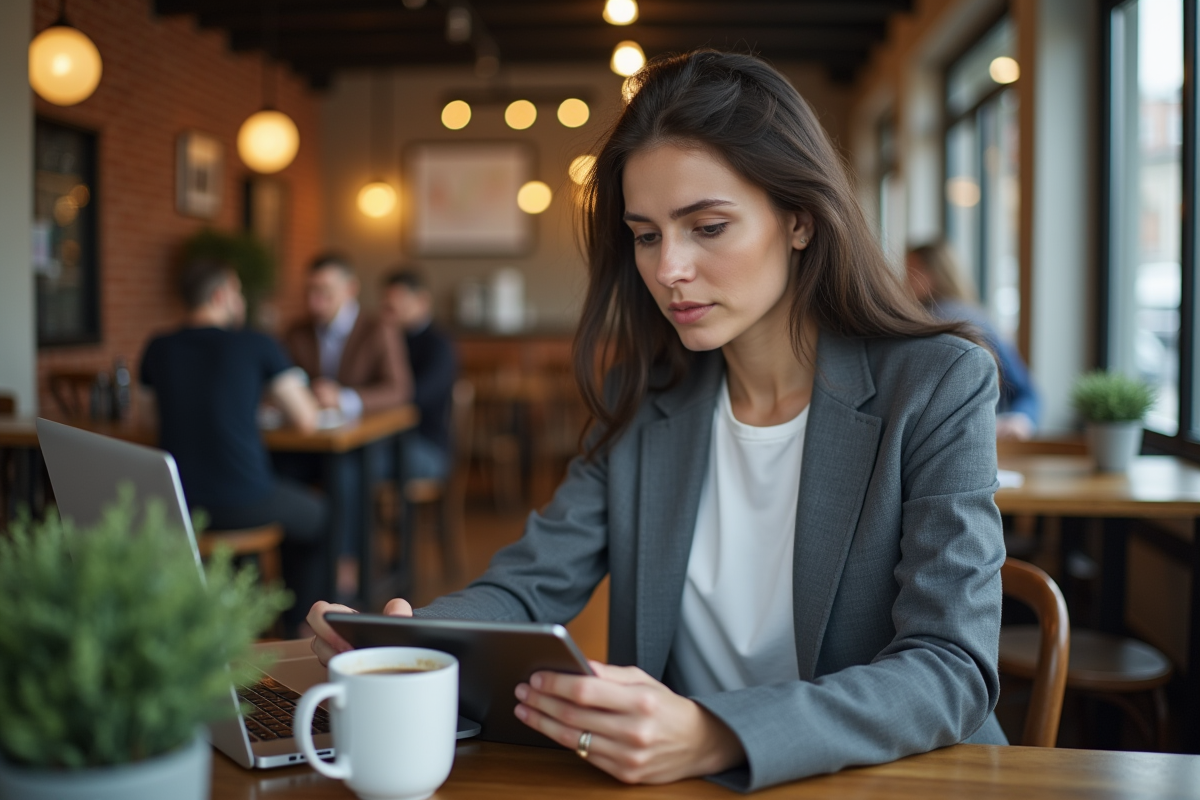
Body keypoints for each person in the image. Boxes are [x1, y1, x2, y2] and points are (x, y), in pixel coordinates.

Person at [308, 51, 1007, 791]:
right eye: (646, 235)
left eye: (708, 226)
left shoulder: (937, 384)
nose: (669, 268)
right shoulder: (646, 396)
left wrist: (717, 733)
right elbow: (530, 586)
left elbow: (951, 665)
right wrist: (406, 638)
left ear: (799, 220)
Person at [140, 258, 330, 634]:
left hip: (180, 502)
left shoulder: (158, 346)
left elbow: (146, 419)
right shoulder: (255, 343)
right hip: (244, 501)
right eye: (238, 292)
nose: (241, 301)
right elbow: (306, 418)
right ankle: (297, 625)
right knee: (319, 514)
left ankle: (229, 611)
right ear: (221, 295)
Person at [905, 241, 1040, 440]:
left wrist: (1019, 420)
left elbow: (1026, 392)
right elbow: (1028, 392)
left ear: (934, 273)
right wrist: (1021, 420)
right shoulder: (977, 319)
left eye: (912, 271)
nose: (904, 280)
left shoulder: (968, 321)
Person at [284, 253, 412, 421]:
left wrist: (344, 399)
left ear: (351, 289)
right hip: (307, 428)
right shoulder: (297, 332)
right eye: (309, 291)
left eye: (324, 291)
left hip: (365, 430)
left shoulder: (379, 331)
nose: (313, 302)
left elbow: (399, 390)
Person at [380, 268, 458, 481]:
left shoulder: (439, 344)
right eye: (388, 306)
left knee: (358, 464)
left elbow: (415, 397)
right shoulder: (387, 340)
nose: (392, 313)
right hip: (385, 437)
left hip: (427, 444)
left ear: (423, 301)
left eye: (399, 305)